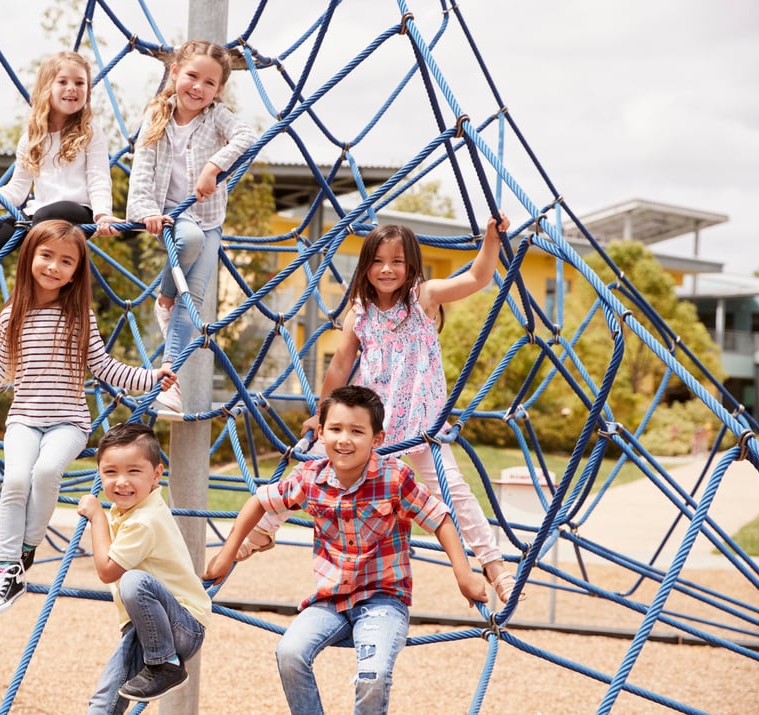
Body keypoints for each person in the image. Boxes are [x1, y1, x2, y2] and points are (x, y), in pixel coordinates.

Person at [239, 215, 523, 603]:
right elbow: (340, 365)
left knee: (455, 493)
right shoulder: (359, 312)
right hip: (369, 428)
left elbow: (477, 278)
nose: (387, 269)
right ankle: (264, 528)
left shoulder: (423, 297)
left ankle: (495, 567)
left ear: (411, 267)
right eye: (378, 261)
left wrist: (491, 239)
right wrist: (324, 415)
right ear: (366, 266)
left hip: (424, 427)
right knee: (310, 463)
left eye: (397, 261)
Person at [204, 386, 488, 715]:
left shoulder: (394, 477)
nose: (344, 440)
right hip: (331, 600)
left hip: (384, 598)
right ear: (321, 432)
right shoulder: (310, 478)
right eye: (336, 429)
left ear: (377, 439)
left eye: (357, 431)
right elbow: (258, 501)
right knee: (289, 652)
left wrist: (463, 574)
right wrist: (226, 555)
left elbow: (440, 518)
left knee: (374, 674)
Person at [0, 221, 176, 617]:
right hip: (25, 418)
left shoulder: (80, 316)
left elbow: (104, 367)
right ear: (29, 257)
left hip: (69, 421)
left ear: (76, 271)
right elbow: (1, 369)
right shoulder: (12, 314)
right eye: (46, 256)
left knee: (46, 472)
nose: (54, 267)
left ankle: (22, 555)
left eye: (66, 261)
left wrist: (150, 377)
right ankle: (6, 565)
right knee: (16, 479)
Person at [0, 50, 121, 368]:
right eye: (63, 81)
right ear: (46, 88)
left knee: (39, 221)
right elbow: (16, 192)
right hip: (35, 215)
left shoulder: (90, 133)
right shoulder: (32, 137)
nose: (72, 89)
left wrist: (103, 215)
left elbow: (98, 179)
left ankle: (18, 311)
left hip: (78, 213)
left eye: (80, 83)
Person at [126, 39, 257, 412]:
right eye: (192, 76)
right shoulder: (157, 116)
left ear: (219, 89)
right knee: (188, 240)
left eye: (210, 83)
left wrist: (213, 166)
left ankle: (170, 380)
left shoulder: (217, 116)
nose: (198, 87)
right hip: (171, 214)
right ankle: (165, 296)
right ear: (174, 73)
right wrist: (145, 211)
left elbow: (247, 136)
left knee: (192, 298)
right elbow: (142, 172)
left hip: (209, 216)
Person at [77, 422, 211, 711]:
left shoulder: (143, 520)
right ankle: (161, 662)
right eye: (110, 472)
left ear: (157, 474)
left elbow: (107, 570)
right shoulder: (135, 508)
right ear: (99, 474)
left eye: (134, 471)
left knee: (133, 581)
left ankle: (166, 664)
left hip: (181, 626)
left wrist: (96, 516)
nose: (121, 482)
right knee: (106, 700)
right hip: (149, 627)